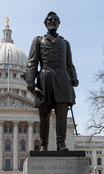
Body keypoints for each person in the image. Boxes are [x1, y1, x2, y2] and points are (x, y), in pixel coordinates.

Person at [25, 11, 79, 151]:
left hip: (62, 79)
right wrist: (31, 83)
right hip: (45, 78)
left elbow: (70, 64)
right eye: (50, 20)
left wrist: (74, 77)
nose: (52, 22)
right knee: (44, 113)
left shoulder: (65, 43)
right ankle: (44, 144)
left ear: (59, 23)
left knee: (62, 112)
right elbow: (32, 62)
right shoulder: (38, 40)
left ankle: (61, 144)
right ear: (45, 23)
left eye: (55, 20)